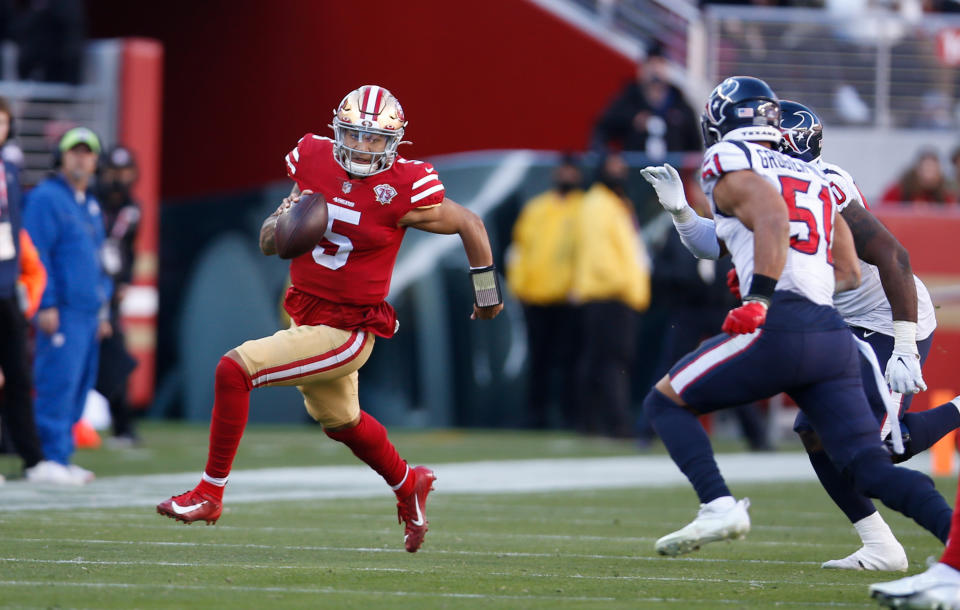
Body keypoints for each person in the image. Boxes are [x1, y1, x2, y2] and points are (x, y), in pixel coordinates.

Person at [156, 85, 503, 553]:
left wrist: (486, 294)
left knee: (234, 369)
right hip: (305, 312)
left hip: (347, 330)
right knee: (340, 420)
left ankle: (209, 493)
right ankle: (409, 484)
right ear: (337, 133)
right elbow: (269, 243)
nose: (362, 148)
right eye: (354, 136)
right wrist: (278, 229)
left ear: (394, 143)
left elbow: (471, 224)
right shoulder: (313, 159)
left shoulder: (403, 186)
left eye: (374, 140)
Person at [639, 76, 952, 559]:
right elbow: (842, 269)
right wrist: (682, 212)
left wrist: (762, 290)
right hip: (831, 326)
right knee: (850, 453)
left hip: (857, 318)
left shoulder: (734, 162)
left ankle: (719, 505)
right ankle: (895, 544)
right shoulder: (810, 180)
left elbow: (778, 222)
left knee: (665, 403)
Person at [0, 99, 83, 485]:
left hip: (6, 288)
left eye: (3, 123)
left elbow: (17, 237)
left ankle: (34, 461)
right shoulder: (43, 192)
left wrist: (24, 283)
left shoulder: (10, 171)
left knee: (18, 376)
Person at [23, 127, 111, 485]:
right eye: (73, 152)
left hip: (88, 311)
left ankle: (62, 455)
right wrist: (46, 302)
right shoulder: (46, 198)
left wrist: (103, 310)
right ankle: (47, 458)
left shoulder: (89, 203)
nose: (80, 158)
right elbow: (36, 253)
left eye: (86, 152)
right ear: (61, 158)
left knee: (77, 386)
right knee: (57, 382)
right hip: (63, 309)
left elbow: (98, 260)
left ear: (94, 160)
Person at [571, 153, 650, 437]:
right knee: (611, 361)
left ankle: (589, 422)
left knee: (600, 360)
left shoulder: (614, 204)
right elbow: (600, 255)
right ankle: (615, 423)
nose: (621, 171)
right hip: (609, 295)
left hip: (614, 294)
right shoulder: (598, 204)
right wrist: (624, 285)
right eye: (614, 166)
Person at [506, 154, 583, 429]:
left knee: (569, 362)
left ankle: (569, 416)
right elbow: (520, 250)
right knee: (539, 361)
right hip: (536, 298)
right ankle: (536, 416)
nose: (567, 176)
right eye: (564, 170)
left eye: (571, 171)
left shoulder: (583, 209)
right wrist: (519, 288)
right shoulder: (536, 208)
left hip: (569, 299)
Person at [95, 145, 141, 447]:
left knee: (116, 360)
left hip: (110, 295)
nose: (119, 179)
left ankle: (123, 425)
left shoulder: (133, 210)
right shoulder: (90, 202)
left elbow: (129, 252)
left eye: (124, 173)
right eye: (114, 172)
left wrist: (125, 282)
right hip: (86, 289)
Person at [592, 42, 701, 159]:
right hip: (635, 175)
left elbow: (695, 148)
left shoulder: (681, 106)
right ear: (641, 69)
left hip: (673, 174)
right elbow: (601, 133)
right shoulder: (627, 101)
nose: (655, 69)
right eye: (650, 63)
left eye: (660, 62)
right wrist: (610, 159)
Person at [880, 148, 957, 206]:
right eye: (926, 169)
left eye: (933, 171)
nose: (929, 175)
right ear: (918, 170)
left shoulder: (945, 195)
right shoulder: (899, 191)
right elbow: (884, 211)